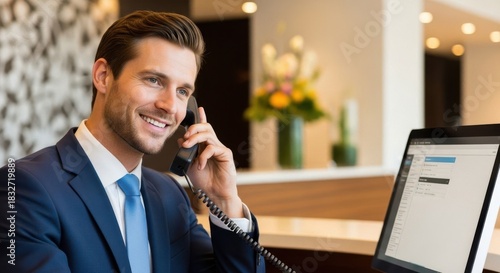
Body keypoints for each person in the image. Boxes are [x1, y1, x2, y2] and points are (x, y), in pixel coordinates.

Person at [0, 10, 265, 273]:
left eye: (183, 91)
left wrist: (224, 200)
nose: (170, 106)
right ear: (103, 76)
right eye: (153, 80)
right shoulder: (24, 188)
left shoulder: (169, 194)